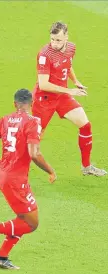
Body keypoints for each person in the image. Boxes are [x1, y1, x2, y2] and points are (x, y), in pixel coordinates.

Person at [0, 89, 56, 270]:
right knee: (32, 223)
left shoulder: (4, 120)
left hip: (2, 174)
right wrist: (50, 171)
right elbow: (34, 154)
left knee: (22, 218)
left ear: (15, 104)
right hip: (15, 180)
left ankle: (1, 257)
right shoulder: (33, 121)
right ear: (32, 103)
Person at [32, 21, 106, 176]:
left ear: (66, 37)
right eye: (52, 39)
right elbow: (43, 84)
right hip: (44, 100)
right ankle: (11, 166)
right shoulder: (45, 55)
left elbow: (67, 64)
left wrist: (76, 80)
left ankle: (86, 167)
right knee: (34, 140)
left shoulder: (71, 48)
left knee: (85, 125)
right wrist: (70, 91)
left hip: (62, 97)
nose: (54, 43)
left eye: (58, 40)